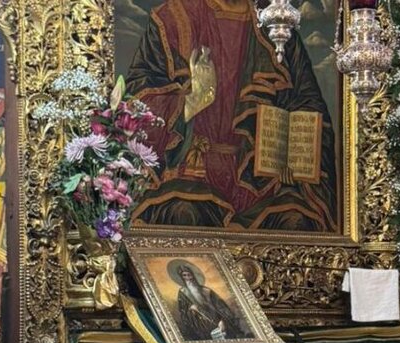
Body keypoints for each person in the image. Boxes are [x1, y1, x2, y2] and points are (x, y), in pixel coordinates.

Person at [125, 0, 338, 232]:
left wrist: (293, 156)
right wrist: (189, 102)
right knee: (184, 213)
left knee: (295, 220)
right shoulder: (174, 18)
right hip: (194, 167)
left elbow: (306, 101)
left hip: (262, 180)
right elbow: (138, 100)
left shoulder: (276, 27)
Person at [173, 262, 249, 341]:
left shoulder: (207, 291)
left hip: (217, 322)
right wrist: (190, 309)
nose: (187, 278)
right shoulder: (183, 292)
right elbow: (183, 312)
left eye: (189, 275)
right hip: (199, 326)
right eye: (184, 275)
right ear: (182, 277)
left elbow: (222, 307)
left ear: (192, 275)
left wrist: (222, 320)